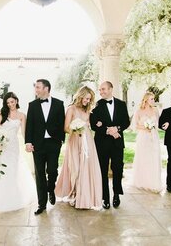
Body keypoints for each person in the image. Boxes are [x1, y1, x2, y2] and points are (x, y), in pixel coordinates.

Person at [55, 86, 102, 209]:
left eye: (89, 99)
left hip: (88, 141)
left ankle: (84, 197)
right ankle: (74, 194)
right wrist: (75, 130)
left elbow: (89, 125)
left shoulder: (87, 111)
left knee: (85, 168)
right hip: (75, 140)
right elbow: (66, 128)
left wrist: (97, 124)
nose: (87, 101)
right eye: (86, 98)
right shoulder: (71, 109)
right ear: (80, 96)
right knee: (76, 168)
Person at [25, 79, 65, 215]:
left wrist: (60, 140)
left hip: (54, 143)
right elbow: (29, 125)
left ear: (46, 88)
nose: (36, 89)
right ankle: (41, 204)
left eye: (38, 87)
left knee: (52, 170)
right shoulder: (33, 105)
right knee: (40, 174)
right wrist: (28, 142)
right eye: (36, 87)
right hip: (38, 144)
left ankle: (51, 189)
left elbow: (61, 124)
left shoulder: (59, 104)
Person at [90, 81, 130, 209]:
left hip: (117, 143)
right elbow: (94, 124)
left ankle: (116, 194)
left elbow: (126, 122)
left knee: (118, 169)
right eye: (100, 90)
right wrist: (108, 130)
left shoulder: (121, 104)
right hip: (102, 143)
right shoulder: (96, 106)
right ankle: (105, 197)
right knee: (102, 170)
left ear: (111, 89)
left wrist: (116, 129)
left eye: (103, 89)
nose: (101, 92)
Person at [131, 92, 162, 193]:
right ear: (146, 100)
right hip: (143, 137)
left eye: (154, 99)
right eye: (152, 99)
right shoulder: (139, 111)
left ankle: (153, 182)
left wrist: (152, 127)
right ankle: (142, 181)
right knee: (143, 158)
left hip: (153, 137)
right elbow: (134, 126)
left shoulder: (156, 110)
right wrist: (145, 127)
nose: (153, 101)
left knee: (153, 158)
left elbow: (158, 124)